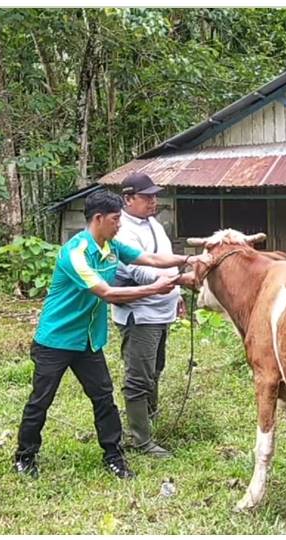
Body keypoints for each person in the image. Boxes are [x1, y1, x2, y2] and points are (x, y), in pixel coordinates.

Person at [13, 189, 209, 479]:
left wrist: (189, 260)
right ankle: (24, 456)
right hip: (56, 340)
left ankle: (113, 456)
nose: (120, 224)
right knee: (41, 399)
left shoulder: (113, 246)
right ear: (99, 218)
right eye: (116, 219)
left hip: (89, 340)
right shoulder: (75, 252)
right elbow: (107, 292)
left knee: (103, 397)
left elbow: (151, 260)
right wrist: (155, 289)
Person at [112, 173, 192, 458]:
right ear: (128, 199)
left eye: (154, 196)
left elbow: (167, 260)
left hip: (161, 310)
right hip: (140, 312)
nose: (152, 201)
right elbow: (138, 270)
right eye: (146, 197)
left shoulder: (154, 224)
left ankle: (148, 419)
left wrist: (176, 295)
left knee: (155, 369)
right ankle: (139, 438)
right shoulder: (122, 230)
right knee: (138, 375)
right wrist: (178, 281)